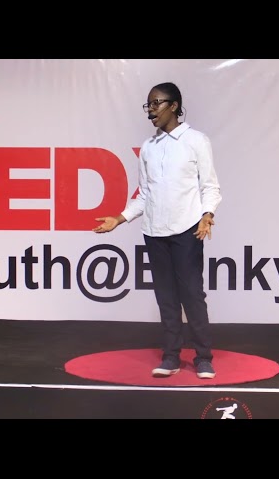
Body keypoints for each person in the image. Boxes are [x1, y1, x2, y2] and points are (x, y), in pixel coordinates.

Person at [93, 82, 221, 379]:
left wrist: (207, 214)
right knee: (165, 296)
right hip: (154, 232)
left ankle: (203, 357)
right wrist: (120, 218)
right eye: (148, 105)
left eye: (156, 103)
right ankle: (171, 357)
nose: (150, 110)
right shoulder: (148, 148)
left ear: (174, 106)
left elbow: (210, 186)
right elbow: (145, 195)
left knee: (192, 295)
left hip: (187, 230)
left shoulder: (196, 141)